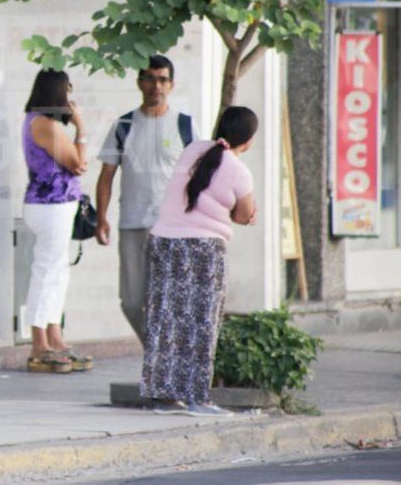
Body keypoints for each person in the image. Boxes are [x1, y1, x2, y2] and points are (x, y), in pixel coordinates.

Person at [140, 106, 258, 417]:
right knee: (202, 322)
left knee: (166, 320)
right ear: (248, 140)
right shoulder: (238, 170)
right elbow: (245, 214)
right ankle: (197, 398)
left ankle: (164, 397)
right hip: (204, 249)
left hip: (163, 242)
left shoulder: (193, 149)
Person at [95, 55, 196, 345]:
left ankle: (161, 361)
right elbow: (106, 176)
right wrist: (102, 218)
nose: (156, 85)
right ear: (140, 82)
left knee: (167, 301)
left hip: (172, 227)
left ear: (172, 85)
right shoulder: (124, 125)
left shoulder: (185, 126)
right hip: (131, 224)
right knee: (130, 301)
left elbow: (200, 176)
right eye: (150, 78)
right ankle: (159, 351)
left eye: (163, 79)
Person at [20, 70, 92, 374]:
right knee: (46, 271)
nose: (71, 100)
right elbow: (78, 163)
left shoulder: (41, 122)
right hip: (50, 206)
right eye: (68, 92)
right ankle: (39, 342)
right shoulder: (43, 124)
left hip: (57, 206)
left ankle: (54, 335)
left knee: (57, 272)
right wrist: (82, 127)